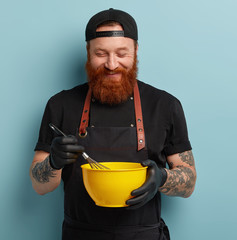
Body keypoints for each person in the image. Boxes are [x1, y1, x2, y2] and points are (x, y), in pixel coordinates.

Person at [29, 8, 196, 240]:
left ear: (135, 51)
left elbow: (189, 183)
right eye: (101, 53)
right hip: (80, 234)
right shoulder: (60, 104)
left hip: (143, 235)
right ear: (88, 52)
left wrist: (162, 178)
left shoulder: (165, 105)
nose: (111, 64)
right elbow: (40, 186)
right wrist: (53, 162)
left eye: (121, 53)